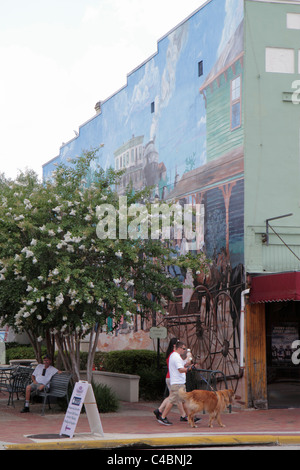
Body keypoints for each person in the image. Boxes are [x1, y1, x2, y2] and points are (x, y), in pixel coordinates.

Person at [157, 341, 200, 426]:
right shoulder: (176, 357)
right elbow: (181, 369)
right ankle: (163, 417)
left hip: (180, 382)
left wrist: (189, 359)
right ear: (179, 348)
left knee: (184, 401)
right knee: (172, 400)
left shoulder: (176, 356)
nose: (184, 350)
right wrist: (190, 369)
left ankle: (190, 418)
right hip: (177, 383)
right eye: (184, 349)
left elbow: (184, 364)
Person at [153, 338, 186, 421]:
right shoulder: (174, 355)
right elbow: (179, 366)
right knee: (173, 397)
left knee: (175, 397)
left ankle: (184, 415)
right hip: (172, 378)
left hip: (170, 377)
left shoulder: (170, 354)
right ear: (175, 345)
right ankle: (161, 411)